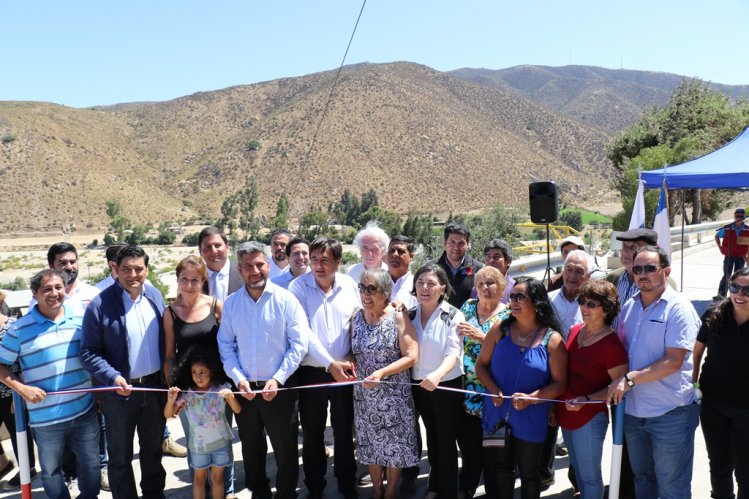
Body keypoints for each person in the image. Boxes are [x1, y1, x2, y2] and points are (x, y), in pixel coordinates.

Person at [607, 246, 701, 499]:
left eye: (650, 268)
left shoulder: (679, 308)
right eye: (637, 269)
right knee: (643, 480)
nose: (642, 274)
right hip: (633, 413)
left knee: (672, 486)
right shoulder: (629, 306)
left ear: (666, 271)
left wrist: (629, 379)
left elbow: (673, 362)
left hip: (669, 414)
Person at [217, 241, 309, 499]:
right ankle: (258, 490)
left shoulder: (286, 300)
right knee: (251, 446)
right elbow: (225, 346)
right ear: (240, 269)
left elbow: (299, 344)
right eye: (248, 266)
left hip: (279, 388)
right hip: (245, 391)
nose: (254, 271)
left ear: (268, 265)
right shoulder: (232, 304)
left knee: (285, 447)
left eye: (259, 264)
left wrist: (278, 379)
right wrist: (238, 379)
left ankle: (286, 493)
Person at [0, 269, 100, 499]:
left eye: (58, 287)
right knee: (51, 472)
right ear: (34, 294)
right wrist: (21, 388)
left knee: (91, 464)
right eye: (46, 289)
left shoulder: (80, 320)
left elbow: (93, 356)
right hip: (45, 420)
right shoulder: (19, 329)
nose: (54, 293)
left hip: (84, 412)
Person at [80, 245, 168, 498]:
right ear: (115, 269)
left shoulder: (155, 296)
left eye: (139, 269)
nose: (133, 275)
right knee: (119, 457)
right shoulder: (100, 303)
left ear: (146, 270)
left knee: (152, 451)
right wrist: (113, 376)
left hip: (152, 389)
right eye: (126, 269)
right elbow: (88, 352)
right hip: (119, 394)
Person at [476, 278, 568, 499]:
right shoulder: (500, 329)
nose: (513, 301)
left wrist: (533, 398)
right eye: (512, 297)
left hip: (531, 416)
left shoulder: (553, 341)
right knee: (502, 469)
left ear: (536, 302)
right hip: (497, 412)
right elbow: (481, 365)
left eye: (520, 297)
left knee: (529, 473)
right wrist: (491, 387)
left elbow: (560, 384)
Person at [288, 238, 359, 499]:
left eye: (324, 260)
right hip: (312, 372)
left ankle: (346, 481)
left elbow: (357, 323)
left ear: (338, 263)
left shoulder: (350, 286)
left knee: (343, 430)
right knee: (313, 432)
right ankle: (315, 485)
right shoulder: (298, 288)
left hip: (346, 370)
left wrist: (352, 353)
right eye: (314, 259)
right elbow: (303, 333)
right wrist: (330, 364)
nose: (317, 265)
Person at [162, 255, 235, 498]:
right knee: (196, 441)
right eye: (185, 279)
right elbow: (170, 355)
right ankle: (200, 489)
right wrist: (174, 389)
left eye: (195, 279)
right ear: (177, 279)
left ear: (204, 280)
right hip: (189, 389)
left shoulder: (216, 306)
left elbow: (228, 346)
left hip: (217, 388)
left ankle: (227, 488)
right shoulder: (170, 312)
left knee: (222, 438)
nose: (189, 284)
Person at [556, 280, 628, 499]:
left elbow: (618, 388)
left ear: (606, 309)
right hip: (565, 412)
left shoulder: (612, 345)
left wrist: (587, 398)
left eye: (591, 304)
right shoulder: (576, 330)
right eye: (582, 301)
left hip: (589, 417)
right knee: (578, 472)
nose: (584, 308)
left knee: (590, 476)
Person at [352, 268, 419, 499]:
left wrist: (381, 373)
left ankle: (390, 492)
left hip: (393, 397)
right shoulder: (356, 317)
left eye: (372, 289)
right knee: (370, 446)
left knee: (395, 447)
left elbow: (411, 355)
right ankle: (377, 491)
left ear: (386, 292)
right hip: (364, 397)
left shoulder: (397, 316)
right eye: (362, 287)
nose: (366, 293)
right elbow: (355, 353)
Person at [692, 266, 749, 499]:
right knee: (719, 464)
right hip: (713, 404)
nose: (739, 294)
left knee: (746, 470)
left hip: (746, 409)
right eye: (735, 287)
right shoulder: (713, 314)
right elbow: (696, 353)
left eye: (747, 290)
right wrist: (693, 385)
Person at [409, 264, 464, 499]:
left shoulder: (453, 315)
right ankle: (435, 486)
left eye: (431, 284)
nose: (425, 288)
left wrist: (438, 375)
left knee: (446, 439)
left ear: (442, 288)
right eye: (420, 282)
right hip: (419, 386)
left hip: (445, 385)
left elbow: (454, 353)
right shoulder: (409, 314)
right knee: (431, 436)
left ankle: (449, 490)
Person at [457, 266, 509, 498]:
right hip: (465, 388)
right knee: (468, 447)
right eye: (480, 284)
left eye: (491, 283)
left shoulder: (508, 315)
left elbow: (511, 351)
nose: (485, 288)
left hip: (493, 389)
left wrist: (481, 337)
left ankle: (493, 490)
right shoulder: (467, 307)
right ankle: (466, 486)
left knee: (493, 448)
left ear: (502, 287)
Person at [165, 346, 241, 499]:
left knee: (218, 479)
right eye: (194, 372)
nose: (198, 377)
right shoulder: (187, 393)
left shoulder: (221, 388)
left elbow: (238, 410)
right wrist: (171, 400)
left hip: (220, 444)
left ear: (211, 371)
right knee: (199, 480)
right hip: (198, 448)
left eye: (202, 372)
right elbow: (168, 414)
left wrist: (231, 397)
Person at [0, 312, 38, 490]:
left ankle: (27, 469)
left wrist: (20, 393)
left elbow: (24, 361)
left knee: (19, 433)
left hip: (12, 392)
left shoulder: (13, 326)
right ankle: (4, 462)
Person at [427, 222, 483, 309]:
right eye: (452, 242)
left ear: (467, 245)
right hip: (437, 320)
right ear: (445, 243)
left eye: (461, 243)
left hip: (467, 321)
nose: (456, 247)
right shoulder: (430, 268)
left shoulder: (478, 269)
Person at [199, 227, 243, 302]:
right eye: (208, 247)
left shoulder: (244, 274)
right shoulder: (195, 279)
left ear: (227, 247)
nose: (213, 251)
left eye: (217, 245)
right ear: (200, 251)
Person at [714, 207, 749, 300]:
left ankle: (736, 295)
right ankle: (721, 296)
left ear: (744, 217)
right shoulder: (727, 228)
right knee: (727, 275)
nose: (738, 218)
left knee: (738, 277)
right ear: (734, 217)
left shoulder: (747, 229)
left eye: (741, 216)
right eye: (736, 216)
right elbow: (717, 236)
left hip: (741, 256)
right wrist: (720, 248)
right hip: (729, 255)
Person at [387, 235, 417, 308]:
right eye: (391, 251)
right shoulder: (377, 282)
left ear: (411, 257)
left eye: (400, 251)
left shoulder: (417, 285)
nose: (395, 254)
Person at [482, 239, 514, 304]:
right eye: (488, 256)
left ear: (508, 261)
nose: (491, 260)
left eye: (496, 257)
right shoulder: (478, 288)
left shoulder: (515, 289)